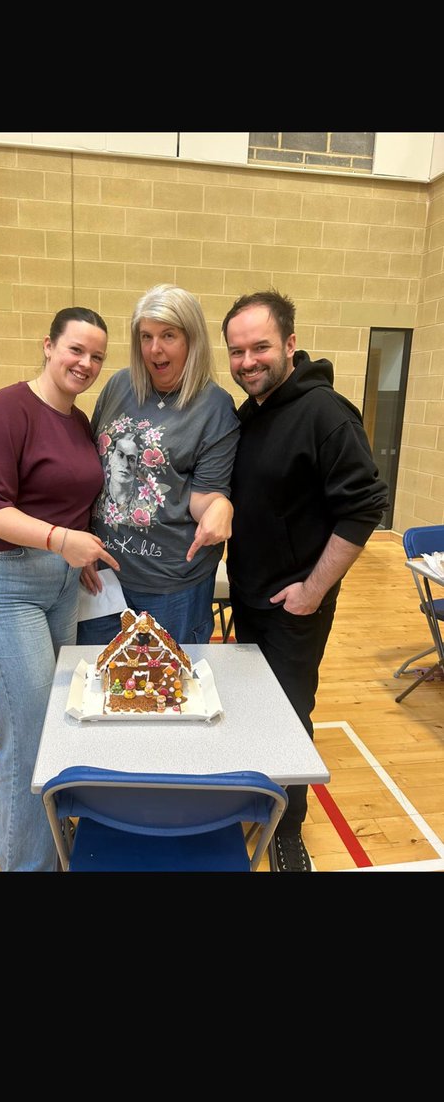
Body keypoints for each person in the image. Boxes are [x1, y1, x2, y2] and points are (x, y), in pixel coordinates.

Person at [222, 288, 388, 872]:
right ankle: (255, 798)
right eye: (237, 351)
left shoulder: (326, 413)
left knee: (289, 712)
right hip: (249, 592)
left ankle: (288, 831)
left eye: (260, 346)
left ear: (290, 344)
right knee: (251, 705)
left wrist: (313, 590)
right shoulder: (251, 414)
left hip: (296, 602)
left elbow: (366, 507)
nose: (248, 361)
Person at [0, 307, 120, 872]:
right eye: (76, 350)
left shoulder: (77, 421)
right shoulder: (6, 410)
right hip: (3, 582)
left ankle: (50, 834)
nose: (86, 363)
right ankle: (30, 866)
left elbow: (71, 497)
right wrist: (60, 540)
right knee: (29, 729)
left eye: (97, 356)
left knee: (55, 716)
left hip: (57, 581)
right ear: (48, 346)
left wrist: (80, 555)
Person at [77, 283, 240, 646]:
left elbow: (206, 495)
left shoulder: (213, 407)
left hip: (171, 585)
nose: (155, 348)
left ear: (192, 339)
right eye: (146, 336)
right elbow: (91, 474)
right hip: (102, 575)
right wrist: (81, 544)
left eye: (168, 335)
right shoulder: (119, 386)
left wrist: (219, 506)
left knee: (167, 692)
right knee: (102, 684)